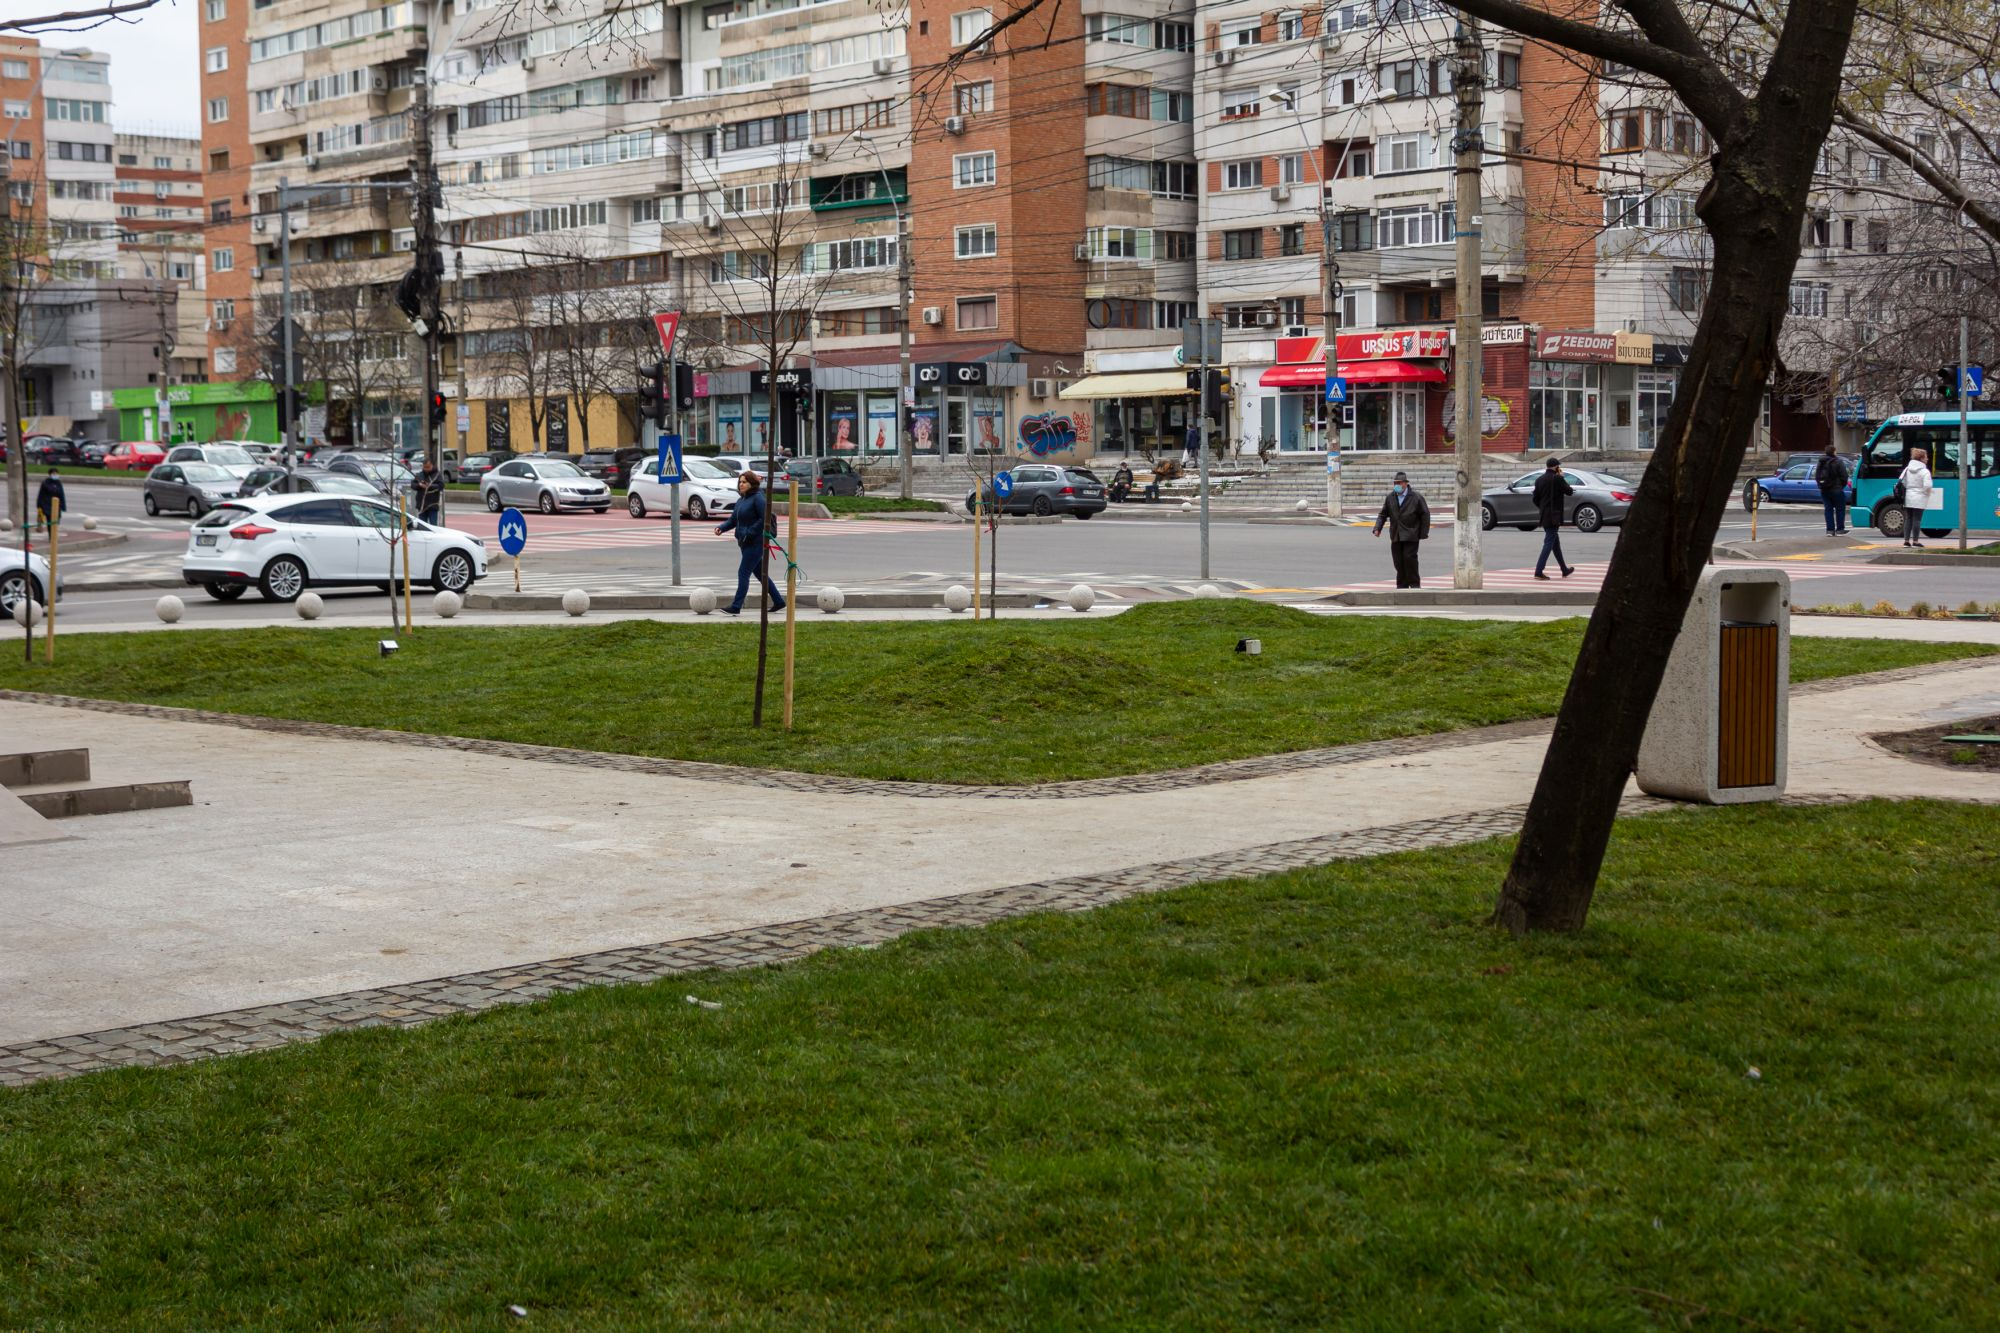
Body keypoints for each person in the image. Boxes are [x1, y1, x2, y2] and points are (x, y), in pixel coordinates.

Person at [716, 470, 785, 615]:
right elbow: (733, 520)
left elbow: (764, 518)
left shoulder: (758, 498)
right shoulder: (741, 500)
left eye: (744, 482)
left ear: (752, 483)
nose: (741, 484)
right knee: (761, 574)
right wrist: (721, 528)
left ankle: (736, 606)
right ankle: (778, 601)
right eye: (740, 482)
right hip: (744, 542)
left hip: (755, 542)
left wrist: (750, 532)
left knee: (743, 573)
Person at [1371, 470, 1431, 588]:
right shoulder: (1390, 497)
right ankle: (1402, 585)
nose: (1397, 485)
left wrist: (1423, 533)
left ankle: (1414, 584)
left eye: (1399, 483)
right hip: (1396, 534)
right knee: (1398, 561)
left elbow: (1425, 515)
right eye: (1395, 483)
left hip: (1411, 534)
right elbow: (1383, 514)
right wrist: (1377, 528)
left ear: (1405, 483)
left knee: (1409, 559)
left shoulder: (1416, 497)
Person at [1531, 457, 1575, 580]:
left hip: (1544, 515)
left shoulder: (1539, 480)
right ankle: (1538, 571)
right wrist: (1562, 476)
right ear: (1556, 467)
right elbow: (1569, 491)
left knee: (1555, 543)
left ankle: (1564, 570)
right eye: (1559, 467)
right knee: (1549, 543)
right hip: (1554, 515)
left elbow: (1535, 498)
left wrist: (1543, 507)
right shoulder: (1558, 478)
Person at [1898, 447, 1934, 548]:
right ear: (1921, 459)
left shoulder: (1907, 469)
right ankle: (1916, 541)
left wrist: (1910, 489)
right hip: (1920, 497)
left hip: (1908, 496)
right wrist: (1925, 492)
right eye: (1926, 457)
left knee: (1908, 518)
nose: (1927, 459)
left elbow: (1902, 482)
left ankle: (1906, 541)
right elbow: (1927, 486)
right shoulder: (1924, 471)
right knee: (1917, 520)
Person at [1814, 443, 1850, 536]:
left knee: (1828, 509)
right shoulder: (1838, 462)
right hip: (1837, 489)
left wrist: (1820, 485)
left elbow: (1817, 475)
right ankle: (1840, 529)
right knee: (1840, 509)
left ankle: (1829, 530)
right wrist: (1841, 486)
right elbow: (1844, 476)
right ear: (1834, 452)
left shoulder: (1821, 462)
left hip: (1824, 489)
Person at [411, 457, 445, 525]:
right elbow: (413, 485)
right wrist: (419, 485)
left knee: (433, 525)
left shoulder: (437, 475)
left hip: (432, 505)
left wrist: (430, 486)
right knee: (422, 525)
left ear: (432, 466)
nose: (426, 469)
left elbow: (441, 486)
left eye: (428, 467)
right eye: (425, 467)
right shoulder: (420, 475)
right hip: (421, 505)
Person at [35, 467, 67, 532]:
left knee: (56, 522)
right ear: (50, 474)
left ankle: (54, 537)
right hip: (47, 506)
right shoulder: (45, 483)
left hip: (57, 506)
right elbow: (41, 495)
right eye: (53, 473)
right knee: (50, 522)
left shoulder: (59, 483)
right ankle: (51, 538)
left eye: (56, 473)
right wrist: (39, 505)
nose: (55, 475)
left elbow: (61, 494)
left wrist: (63, 506)